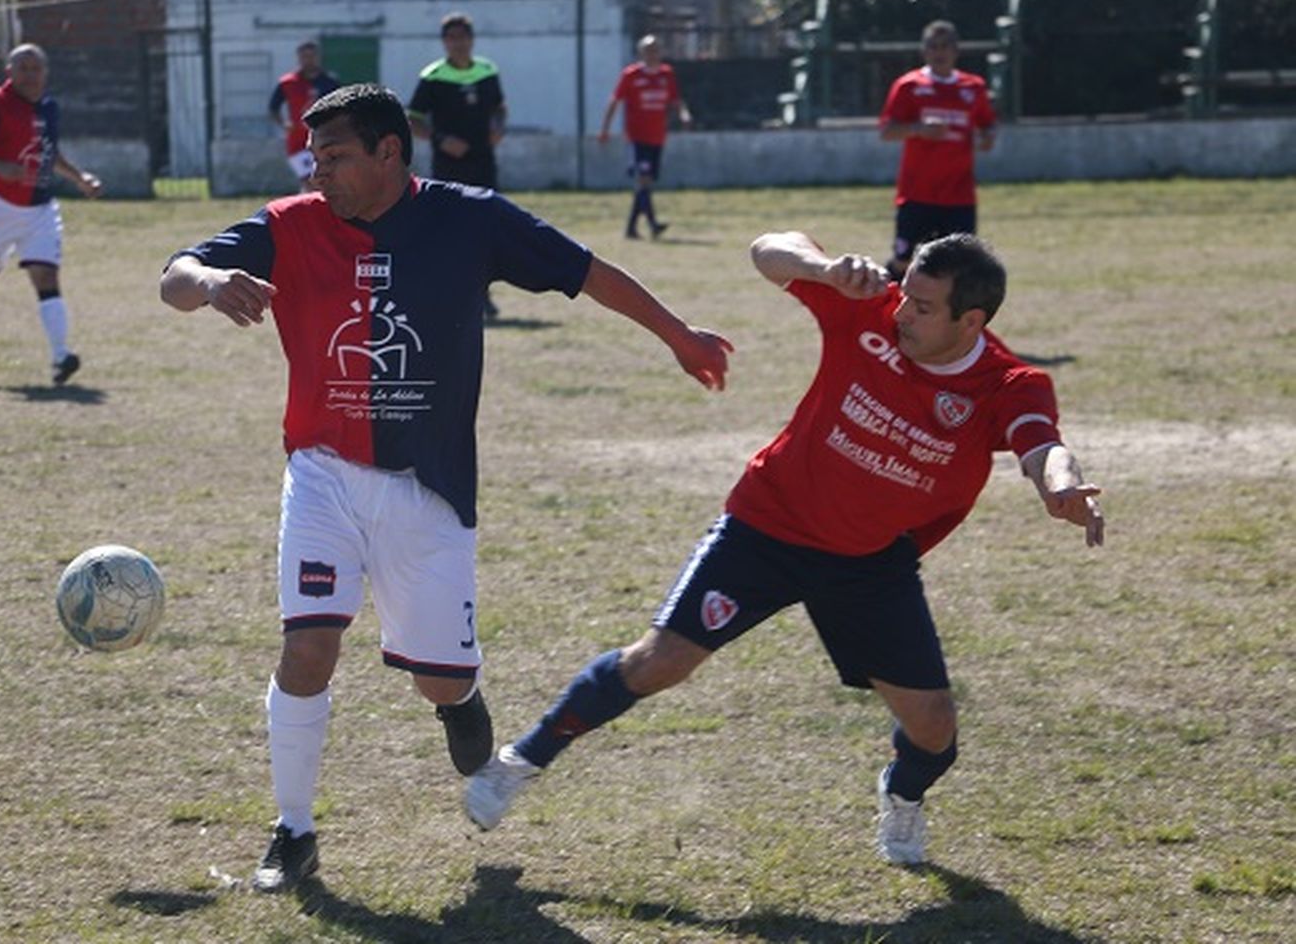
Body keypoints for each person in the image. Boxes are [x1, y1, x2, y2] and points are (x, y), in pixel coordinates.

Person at [160, 83, 732, 892]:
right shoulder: (289, 223)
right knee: (307, 647)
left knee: (440, 679)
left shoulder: (472, 218)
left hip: (428, 493)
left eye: (336, 156)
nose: (317, 171)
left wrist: (678, 334)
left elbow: (587, 272)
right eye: (313, 157)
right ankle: (293, 831)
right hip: (322, 476)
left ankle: (458, 700)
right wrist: (211, 283)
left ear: (390, 151)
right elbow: (176, 274)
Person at [467, 230, 1105, 867]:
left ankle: (902, 794)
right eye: (906, 294)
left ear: (972, 320)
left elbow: (1041, 444)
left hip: (868, 560)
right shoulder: (866, 306)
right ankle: (521, 760)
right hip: (768, 527)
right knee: (658, 661)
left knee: (935, 729)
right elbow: (766, 250)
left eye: (923, 307)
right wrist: (825, 270)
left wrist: (1063, 485)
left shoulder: (1007, 383)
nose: (903, 313)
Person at [0, 43, 102, 385]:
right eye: (22, 68)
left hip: (40, 210)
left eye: (36, 68)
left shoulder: (49, 108)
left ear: (46, 73)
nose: (30, 75)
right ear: (9, 72)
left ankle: (61, 356)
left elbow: (49, 153)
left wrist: (80, 177)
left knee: (46, 276)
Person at [407, 11, 507, 320]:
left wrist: (498, 128)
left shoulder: (487, 71)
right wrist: (440, 139)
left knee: (485, 226)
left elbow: (500, 108)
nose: (458, 43)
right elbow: (413, 118)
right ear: (444, 42)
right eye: (451, 38)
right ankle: (450, 293)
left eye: (462, 36)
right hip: (449, 165)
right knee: (449, 229)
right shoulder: (433, 76)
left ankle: (483, 293)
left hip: (483, 162)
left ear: (471, 39)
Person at [879, 20, 998, 280]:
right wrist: (919, 129)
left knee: (959, 267)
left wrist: (987, 138)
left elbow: (988, 125)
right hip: (916, 193)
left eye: (945, 46)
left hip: (959, 196)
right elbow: (887, 131)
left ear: (956, 51)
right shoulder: (909, 86)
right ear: (924, 51)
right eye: (933, 46)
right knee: (904, 262)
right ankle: (883, 311)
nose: (939, 52)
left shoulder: (972, 88)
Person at [599, 34, 692, 240]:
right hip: (637, 137)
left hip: (657, 137)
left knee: (645, 183)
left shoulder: (667, 74)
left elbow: (676, 100)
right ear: (641, 53)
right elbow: (614, 102)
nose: (652, 54)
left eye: (656, 49)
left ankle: (631, 228)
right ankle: (652, 224)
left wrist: (684, 114)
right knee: (643, 179)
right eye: (648, 50)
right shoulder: (631, 75)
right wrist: (605, 129)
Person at [269, 40, 341, 190]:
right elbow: (273, 108)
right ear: (299, 58)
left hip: (323, 139)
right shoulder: (288, 82)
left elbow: (341, 108)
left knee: (324, 180)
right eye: (305, 56)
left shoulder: (330, 82)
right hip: (297, 142)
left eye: (312, 56)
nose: (309, 60)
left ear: (318, 57)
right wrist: (283, 124)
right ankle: (310, 208)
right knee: (309, 180)